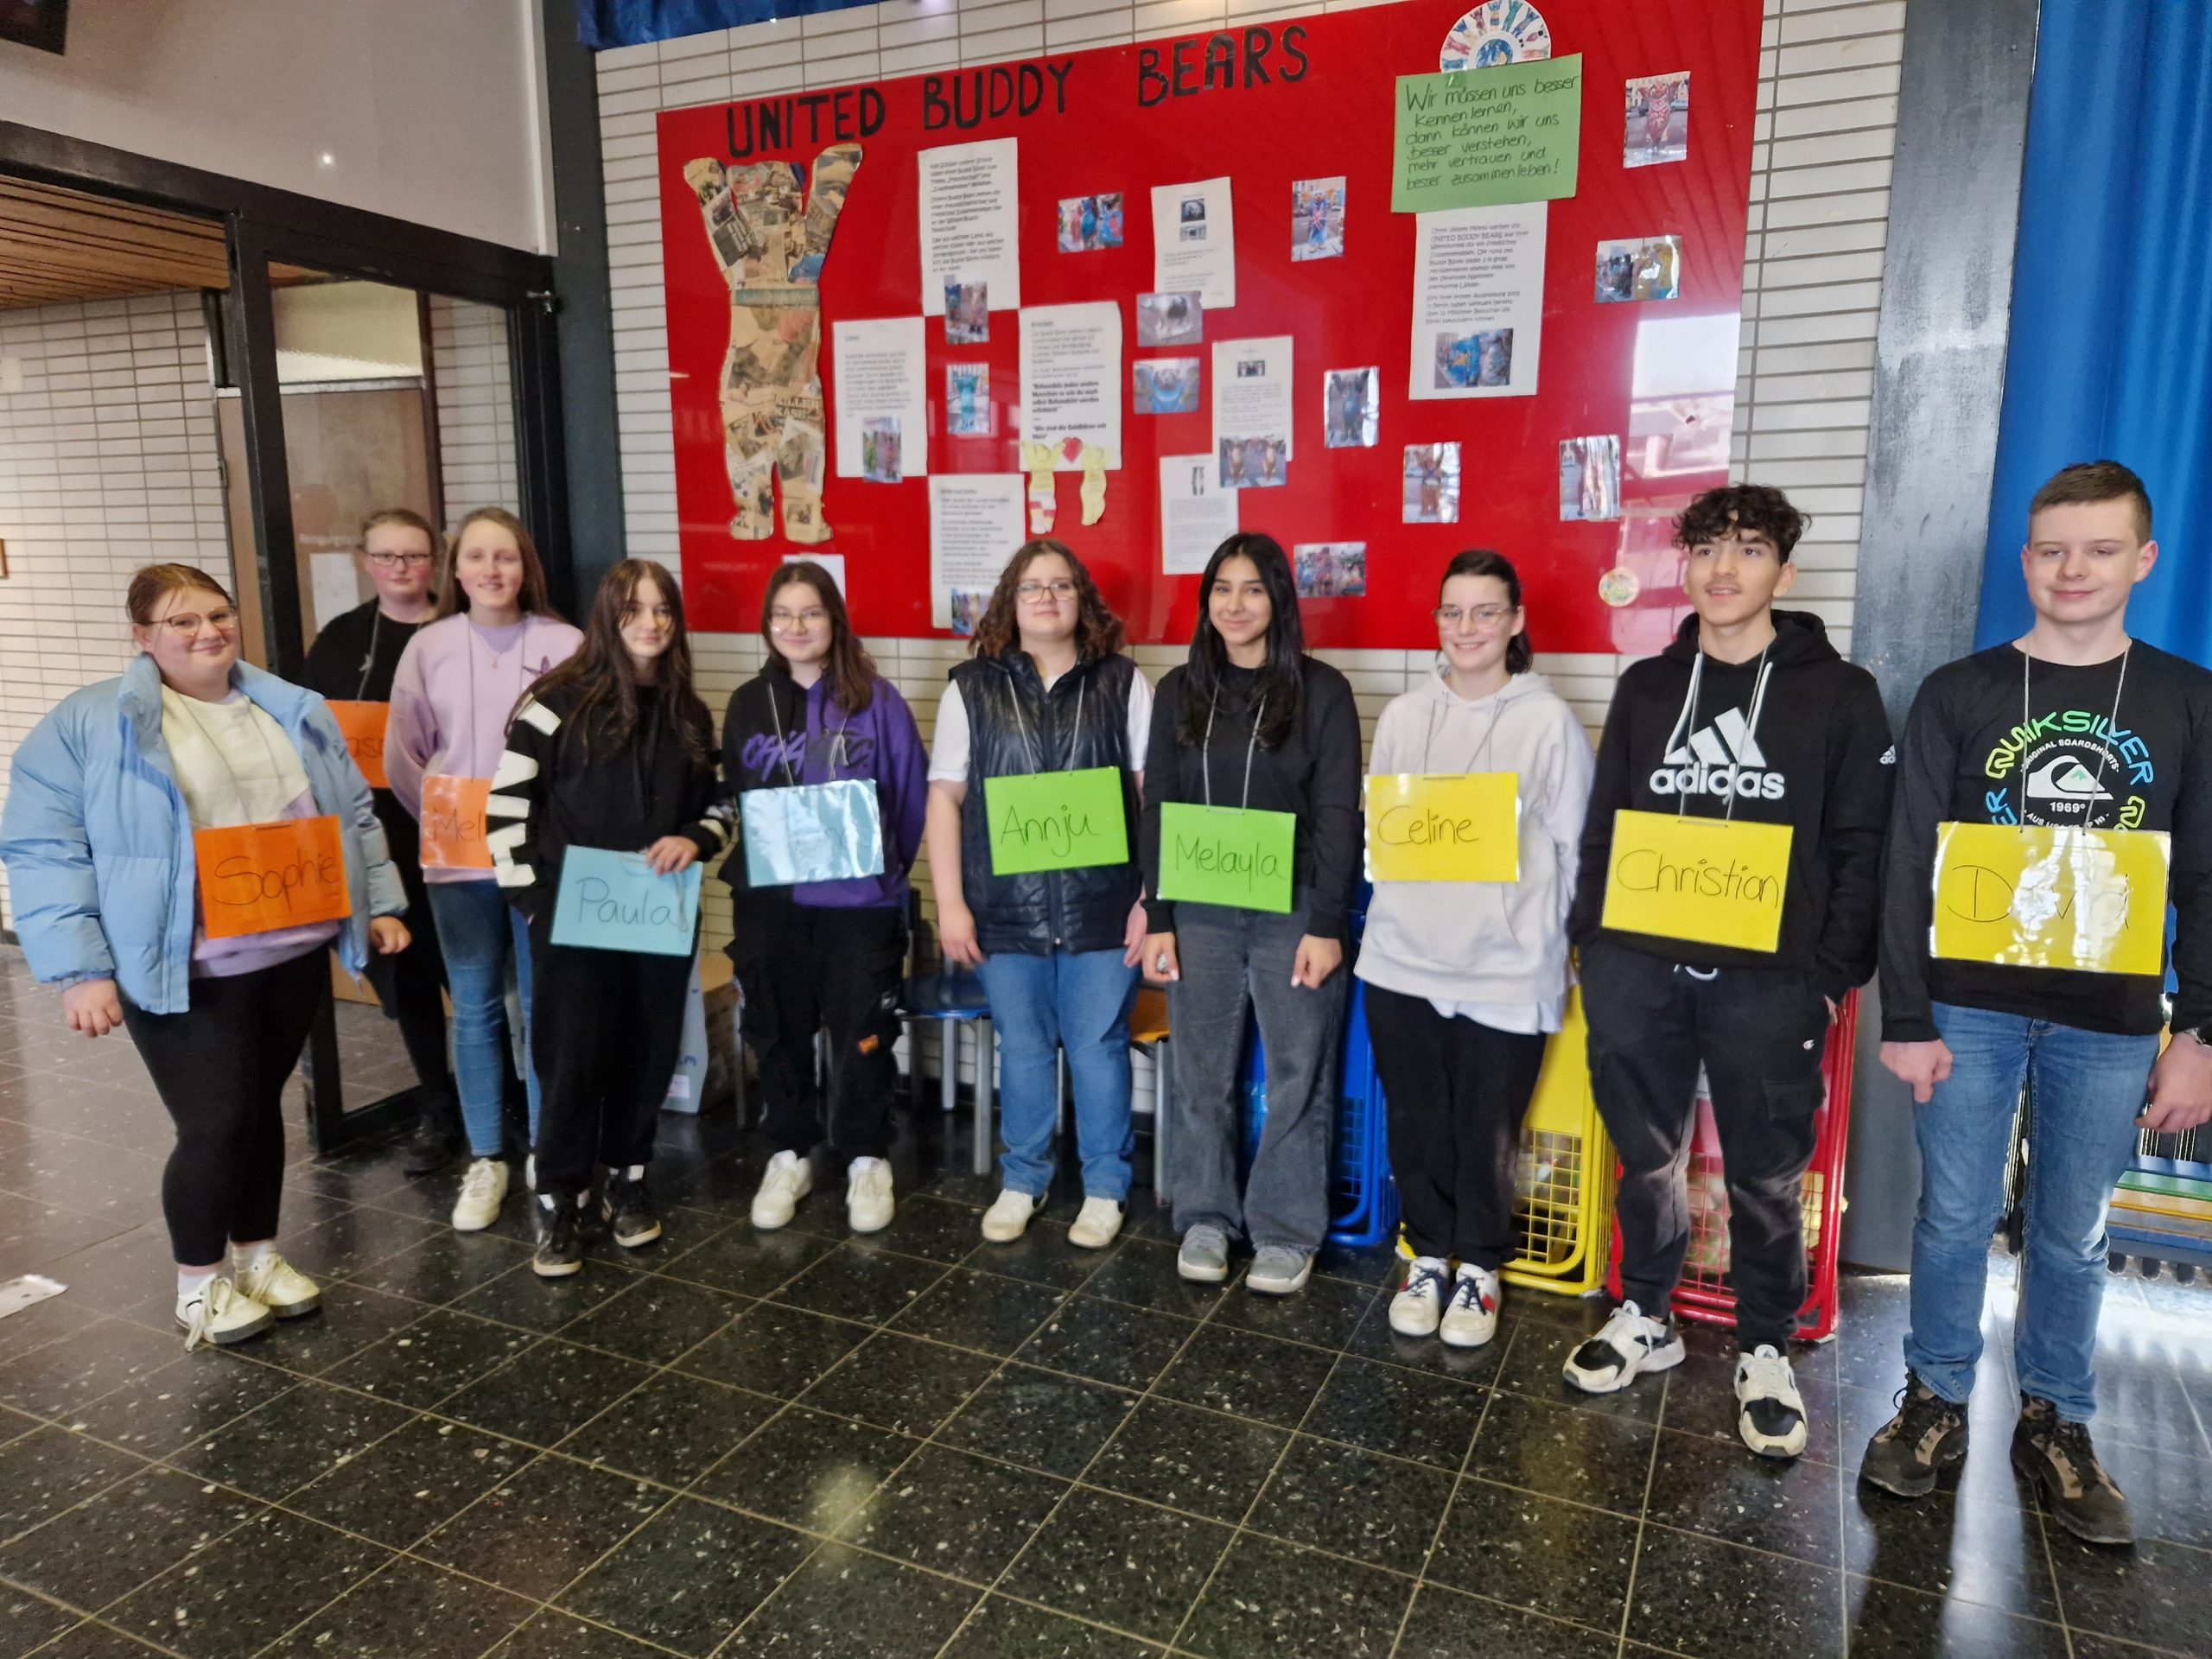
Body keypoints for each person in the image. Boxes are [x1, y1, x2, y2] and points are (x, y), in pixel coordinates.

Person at [1860, 461, 2212, 1544]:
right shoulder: (1959, 693)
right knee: (1952, 1216)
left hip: (2110, 1020)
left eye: (2099, 549)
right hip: (1964, 1007)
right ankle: (1934, 1398)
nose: (2072, 569)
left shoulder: (2187, 699)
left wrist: (2198, 1033)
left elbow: (2206, 877)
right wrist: (1905, 1018)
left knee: (2071, 1230)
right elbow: (1905, 860)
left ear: (2142, 560)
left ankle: (2056, 1415)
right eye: (2052, 549)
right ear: (2024, 560)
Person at [1564, 483, 1894, 1458]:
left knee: (1765, 1174)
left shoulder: (1840, 696)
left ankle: (1765, 1344)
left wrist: (1827, 975)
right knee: (1647, 1158)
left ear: (1783, 573)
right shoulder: (1647, 687)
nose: (1723, 567)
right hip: (1640, 969)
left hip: (1771, 982)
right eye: (1707, 547)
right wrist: (1595, 945)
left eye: (1748, 549)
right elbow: (1605, 824)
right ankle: (1646, 1313)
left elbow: (1861, 846)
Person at [0, 564, 410, 1349]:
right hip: (180, 963)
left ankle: (257, 1257)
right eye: (181, 622)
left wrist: (380, 905)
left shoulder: (287, 706)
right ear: (142, 636)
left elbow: (351, 812)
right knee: (215, 1121)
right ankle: (198, 1285)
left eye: (218, 615)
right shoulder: (89, 723)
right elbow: (45, 849)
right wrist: (82, 971)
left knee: (259, 1111)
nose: (206, 633)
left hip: (290, 947)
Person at [1360, 551, 1592, 1344]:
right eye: (1452, 612)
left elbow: (1578, 849)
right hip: (1400, 961)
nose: (1467, 628)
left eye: (1485, 611)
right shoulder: (1403, 717)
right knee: (1417, 1121)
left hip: (1506, 967)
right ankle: (1428, 1256)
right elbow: (1381, 834)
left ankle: (1481, 1271)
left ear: (1515, 621)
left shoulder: (1548, 722)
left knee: (1489, 1131)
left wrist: (1558, 946)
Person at [489, 560, 728, 1275]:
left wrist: (697, 840)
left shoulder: (688, 712)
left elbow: (720, 805)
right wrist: (534, 905)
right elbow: (506, 812)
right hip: (572, 920)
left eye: (663, 610)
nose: (650, 623)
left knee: (646, 1052)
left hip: (659, 917)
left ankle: (628, 1178)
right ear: (606, 618)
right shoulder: (552, 703)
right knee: (571, 1057)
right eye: (633, 610)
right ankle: (562, 1197)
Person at [1141, 532, 1362, 1294]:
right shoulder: (1179, 690)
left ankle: (1285, 1230)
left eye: (1253, 589)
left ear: (1279, 600)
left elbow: (1337, 815)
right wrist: (1159, 914)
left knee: (1299, 1072)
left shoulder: (1321, 691)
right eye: (1222, 588)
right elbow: (1158, 805)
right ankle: (1206, 1216)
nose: (1235, 605)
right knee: (1201, 1071)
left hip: (1292, 911)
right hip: (1199, 910)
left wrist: (1327, 924)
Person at [924, 538, 1153, 1249]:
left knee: (1098, 1047)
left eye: (1061, 586)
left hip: (1104, 908)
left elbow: (1152, 796)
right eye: (1032, 587)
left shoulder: (1123, 682)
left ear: (1083, 601)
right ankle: (1023, 1179)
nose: (1047, 598)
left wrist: (1151, 900)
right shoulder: (970, 688)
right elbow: (944, 798)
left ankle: (1106, 1188)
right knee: (1022, 1049)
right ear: (1010, 602)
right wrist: (951, 903)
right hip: (1004, 910)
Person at [385, 508, 582, 1236]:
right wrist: (445, 814)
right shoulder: (428, 647)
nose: (492, 570)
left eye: (506, 557)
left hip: (541, 855)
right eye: (477, 557)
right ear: (456, 569)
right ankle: (487, 1156)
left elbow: (584, 751)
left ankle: (548, 1150)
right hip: (459, 858)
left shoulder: (567, 644)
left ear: (526, 566)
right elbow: (404, 756)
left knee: (542, 1005)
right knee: (473, 1006)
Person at [728, 562, 927, 1234]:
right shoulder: (748, 703)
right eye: (782, 614)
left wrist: (880, 872)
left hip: (859, 904)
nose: (796, 626)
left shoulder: (877, 700)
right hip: (773, 903)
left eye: (810, 612)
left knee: (863, 1034)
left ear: (834, 620)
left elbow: (909, 797)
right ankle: (790, 1152)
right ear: (767, 625)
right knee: (777, 1029)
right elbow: (737, 798)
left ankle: (867, 1156)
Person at [301, 508, 458, 1175]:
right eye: (387, 556)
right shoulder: (341, 641)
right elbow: (312, 739)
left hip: (455, 828)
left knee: (478, 977)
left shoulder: (459, 630)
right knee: (410, 974)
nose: (401, 568)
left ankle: (502, 1099)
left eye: (414, 555)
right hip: (382, 835)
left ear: (435, 561)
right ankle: (438, 1107)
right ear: (366, 562)